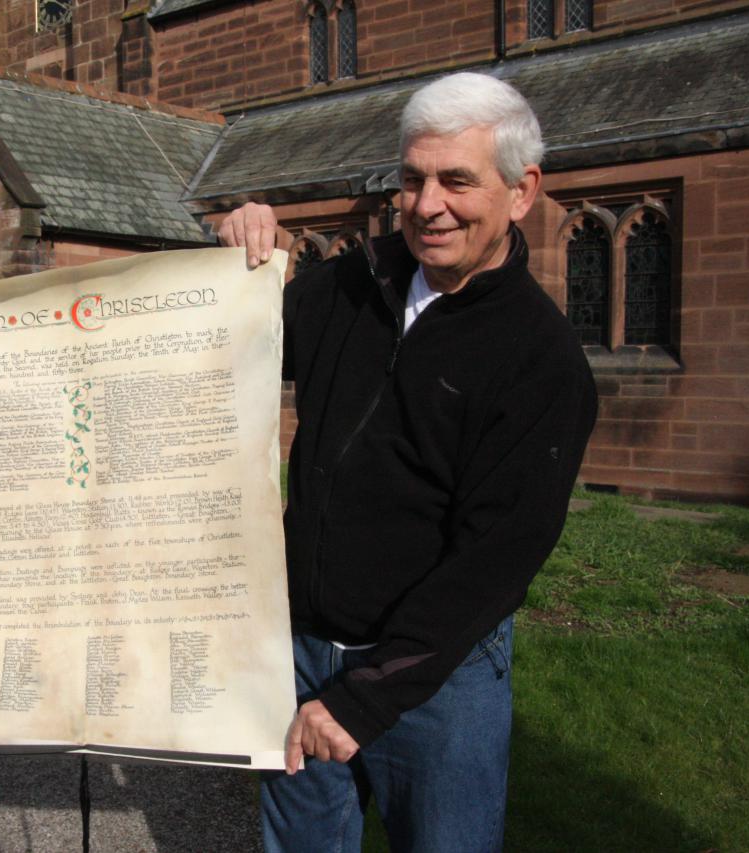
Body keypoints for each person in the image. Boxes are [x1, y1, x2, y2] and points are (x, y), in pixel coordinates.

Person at [219, 73, 597, 852]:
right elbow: (228, 343)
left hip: (436, 676)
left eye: (457, 180)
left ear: (523, 191)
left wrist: (365, 699)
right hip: (303, 649)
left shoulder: (542, 359)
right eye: (413, 179)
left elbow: (493, 561)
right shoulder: (354, 282)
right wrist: (241, 259)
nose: (427, 205)